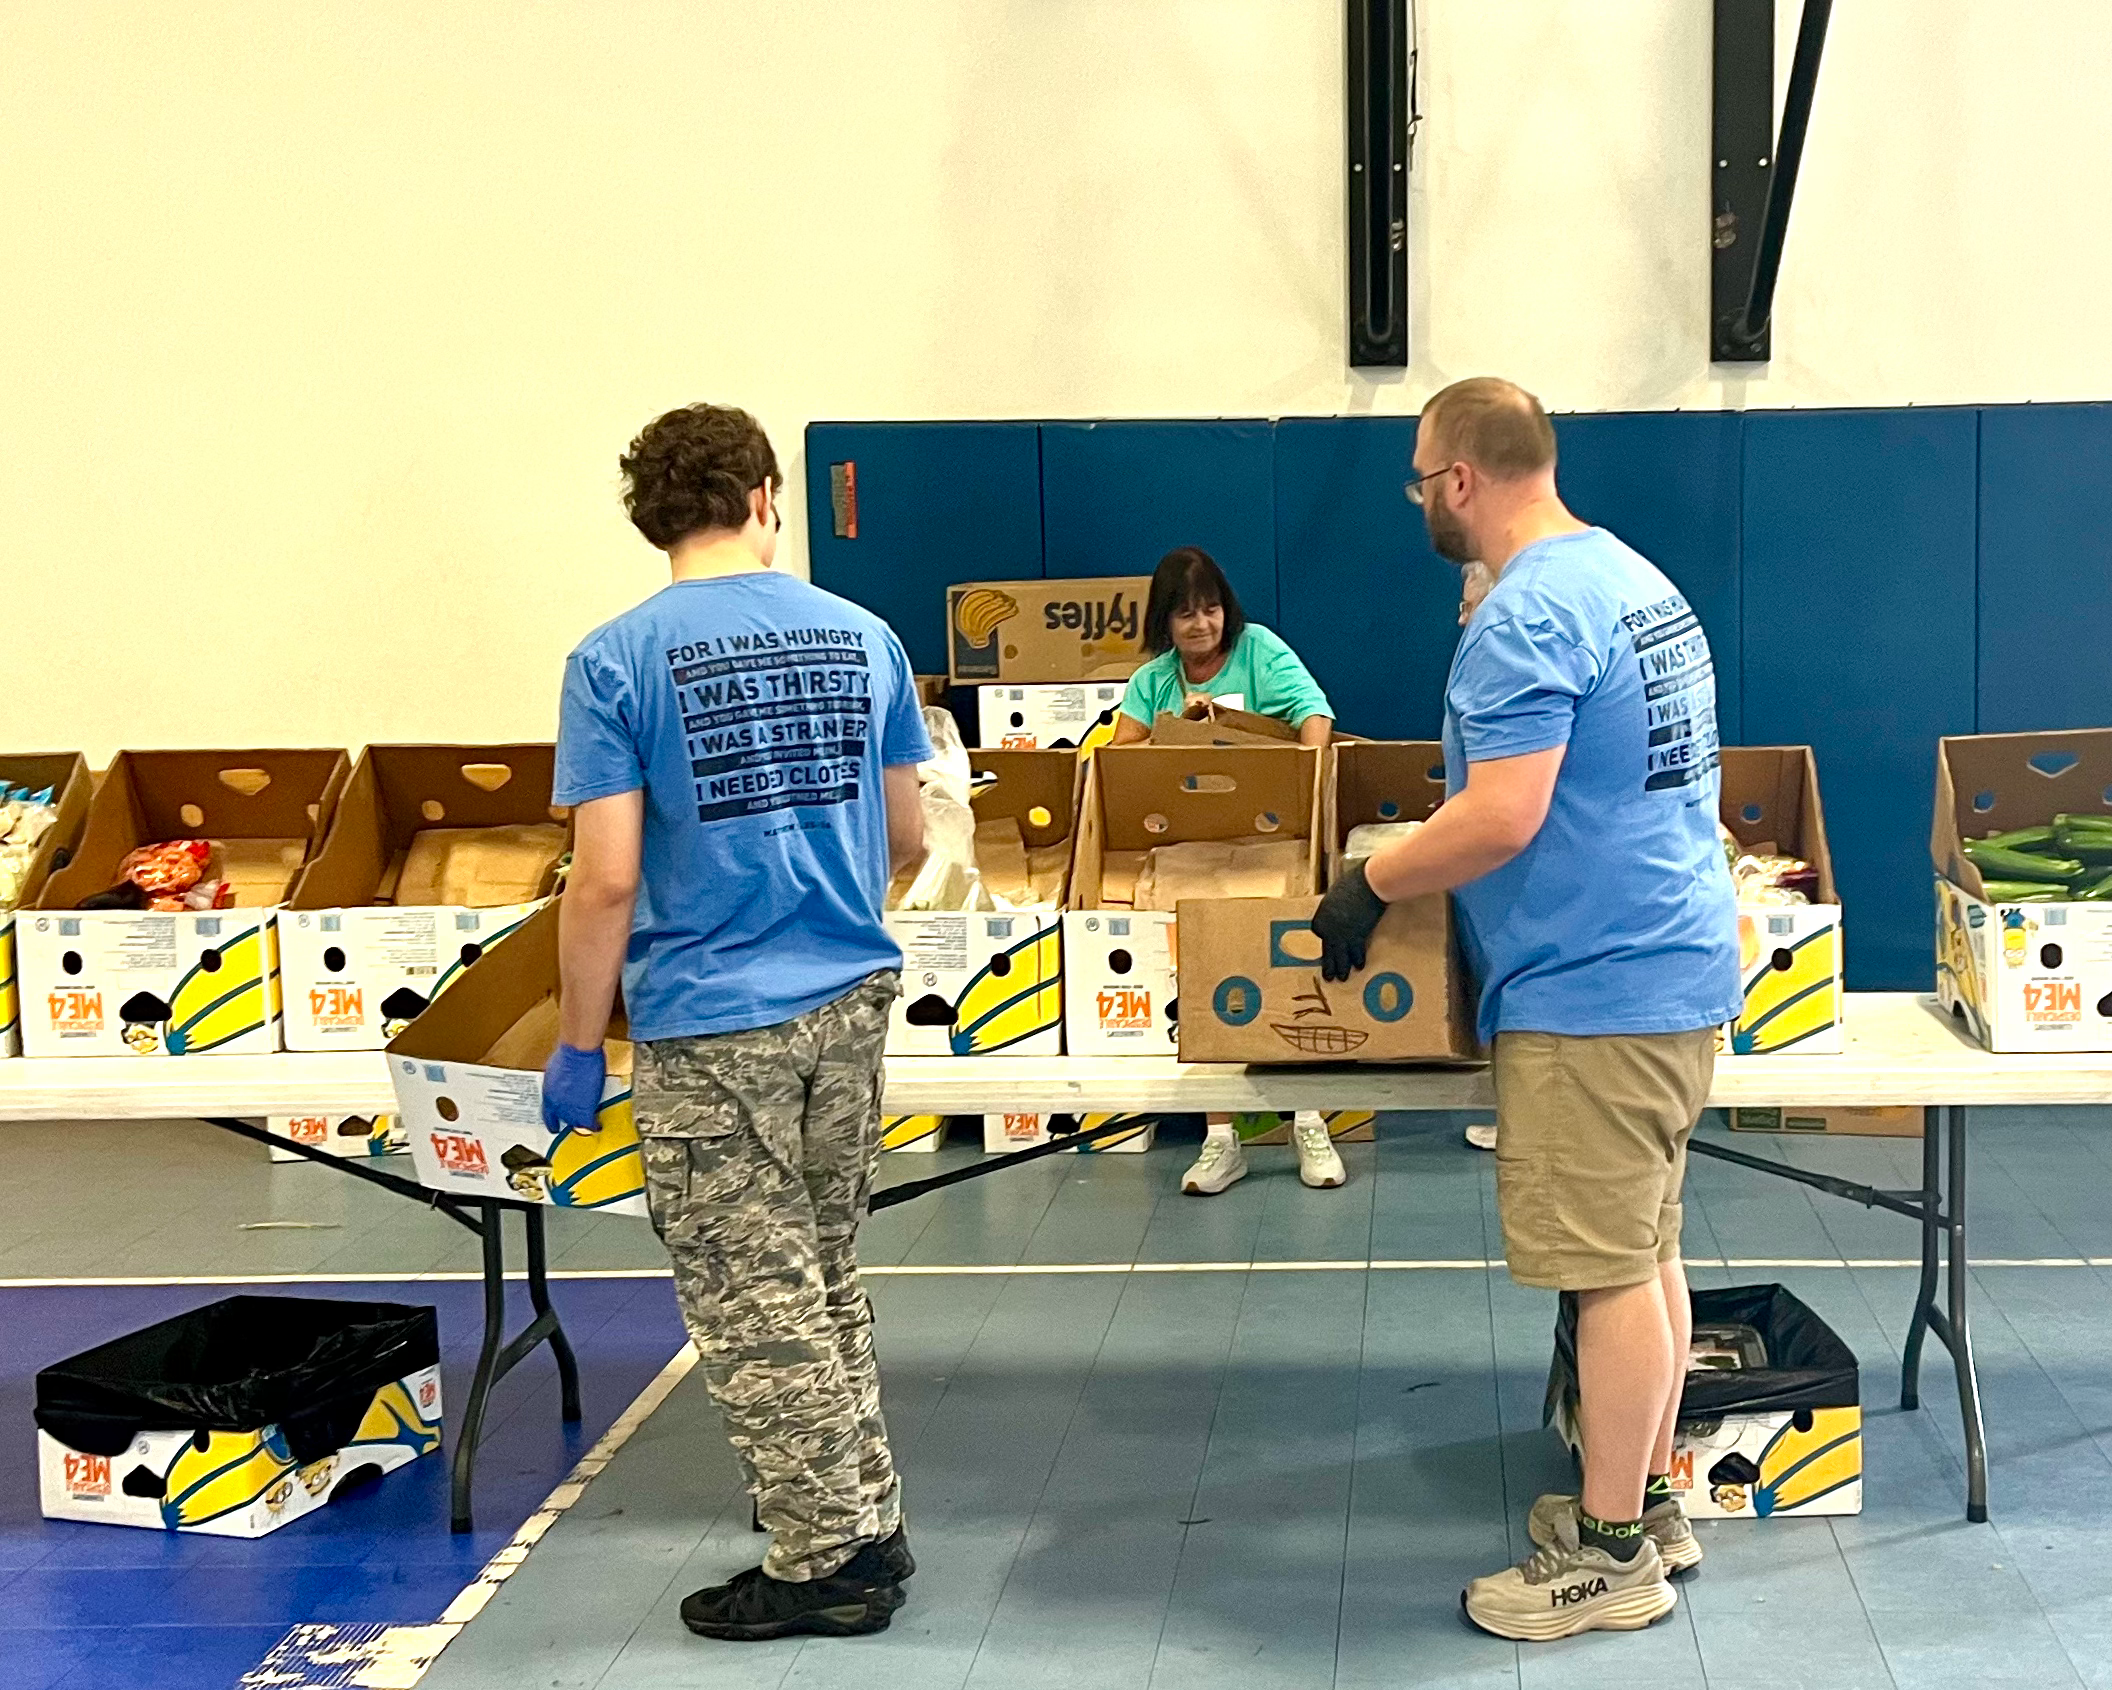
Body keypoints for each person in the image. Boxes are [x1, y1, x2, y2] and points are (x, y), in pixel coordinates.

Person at [1311, 377, 1739, 1643]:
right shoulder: (1624, 575)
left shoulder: (1528, 614)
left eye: (1415, 478)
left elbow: (1503, 813)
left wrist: (1369, 884)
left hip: (1594, 989)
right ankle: (1649, 1501)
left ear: (1457, 479)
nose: (1418, 501)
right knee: (1646, 1249)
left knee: (1605, 1270)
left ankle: (1609, 1560)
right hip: (1669, 967)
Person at [541, 403, 932, 1643]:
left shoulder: (614, 660)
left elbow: (603, 877)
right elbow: (911, 837)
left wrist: (571, 1035)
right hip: (849, 1002)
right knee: (820, 1276)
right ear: (767, 491)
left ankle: (823, 1565)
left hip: (712, 1024)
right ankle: (866, 1516)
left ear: (650, 514)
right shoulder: (864, 637)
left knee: (751, 1302)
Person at [1109, 547, 1347, 1196]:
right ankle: (1221, 1138)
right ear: (1164, 622)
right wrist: (1169, 734)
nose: (1200, 625)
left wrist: (1302, 783)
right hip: (1193, 855)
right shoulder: (1153, 681)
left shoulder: (1261, 650)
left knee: (1287, 968)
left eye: (1210, 609)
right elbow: (1118, 758)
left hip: (1273, 848)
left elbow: (1315, 717)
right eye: (1184, 614)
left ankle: (1307, 1119)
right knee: (1203, 981)